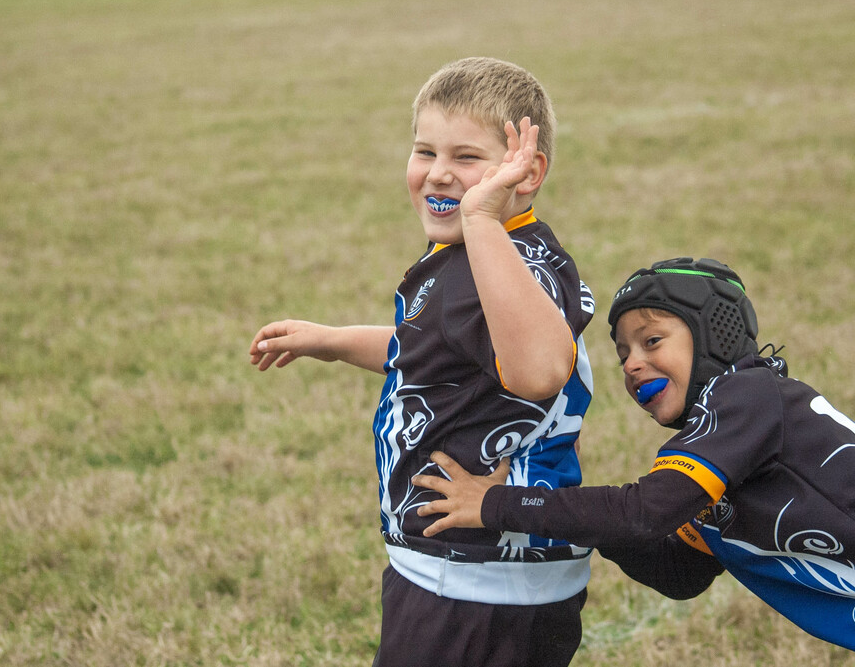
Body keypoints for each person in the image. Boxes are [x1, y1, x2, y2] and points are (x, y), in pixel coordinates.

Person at [413, 257, 855, 667]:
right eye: (622, 353)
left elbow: (643, 512)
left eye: (652, 341)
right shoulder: (724, 448)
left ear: (715, 332)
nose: (632, 364)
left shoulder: (747, 396)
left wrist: (497, 503)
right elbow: (679, 573)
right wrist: (567, 504)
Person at [249, 57, 595, 667]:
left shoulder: (509, 263)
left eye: (467, 157)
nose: (439, 173)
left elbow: (541, 371)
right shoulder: (486, 253)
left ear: (528, 173)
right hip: (470, 573)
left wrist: (480, 217)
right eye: (425, 152)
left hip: (474, 582)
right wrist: (331, 340)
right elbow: (434, 352)